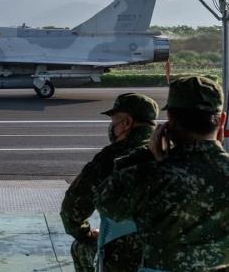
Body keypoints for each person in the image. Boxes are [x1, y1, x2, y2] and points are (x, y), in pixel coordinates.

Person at [95, 76, 229, 272]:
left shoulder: (146, 176)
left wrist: (147, 156)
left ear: (170, 122)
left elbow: (106, 203)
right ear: (222, 120)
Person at [61, 93, 159, 272]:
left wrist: (86, 234)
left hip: (123, 257)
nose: (112, 127)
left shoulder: (108, 159)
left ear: (127, 123)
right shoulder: (171, 153)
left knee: (80, 247)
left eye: (114, 121)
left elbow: (71, 213)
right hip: (168, 252)